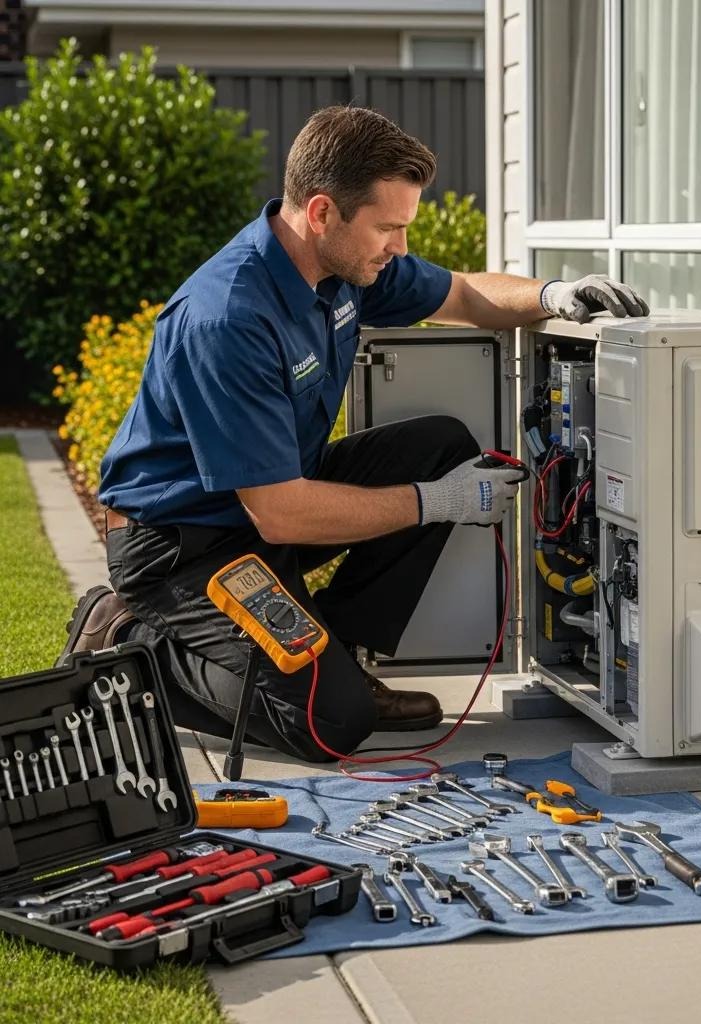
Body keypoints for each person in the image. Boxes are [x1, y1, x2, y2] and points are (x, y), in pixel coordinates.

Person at [59, 105, 648, 762]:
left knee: (442, 449)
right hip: (182, 547)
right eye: (388, 228)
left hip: (261, 506)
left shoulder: (344, 269)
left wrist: (554, 294)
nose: (398, 246)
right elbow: (281, 515)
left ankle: (334, 656)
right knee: (328, 723)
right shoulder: (228, 319)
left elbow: (461, 294)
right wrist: (441, 502)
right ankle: (129, 641)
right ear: (320, 213)